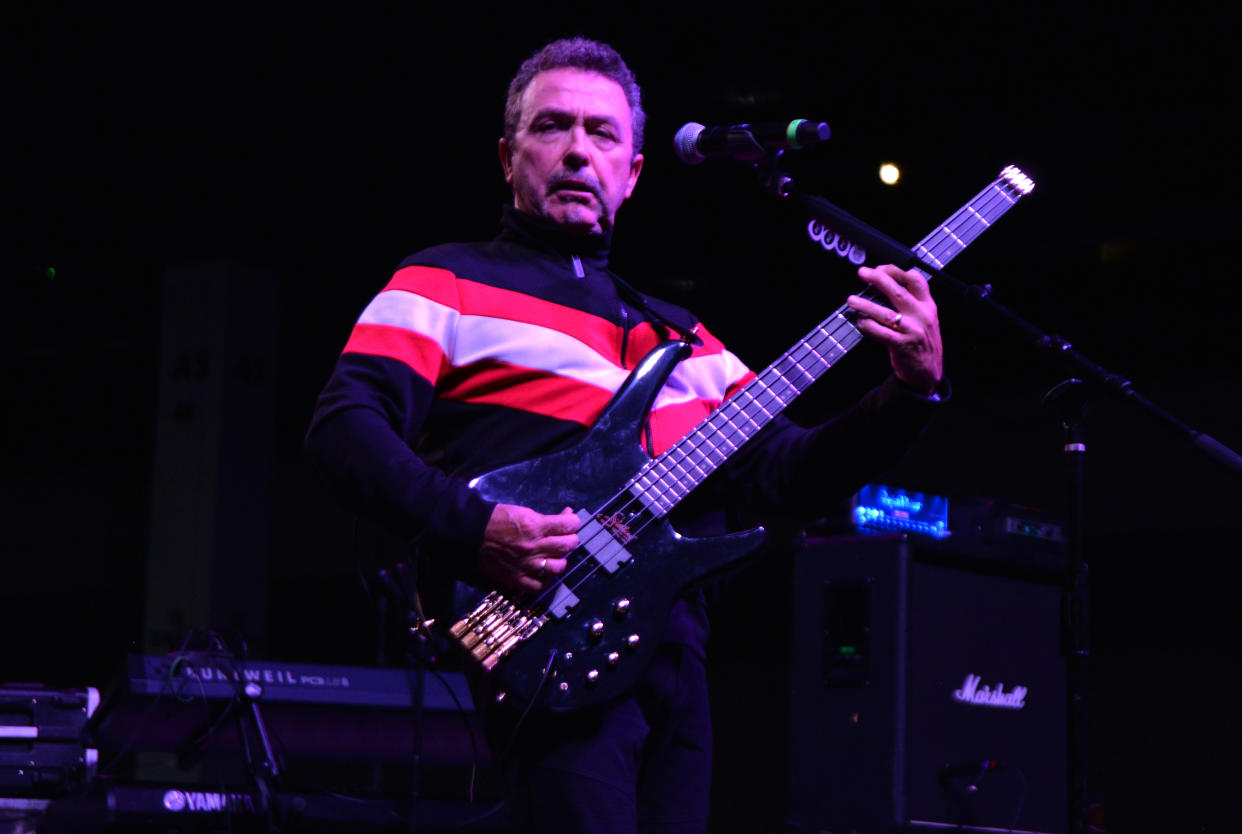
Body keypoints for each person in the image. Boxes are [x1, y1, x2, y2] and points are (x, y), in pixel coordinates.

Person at [306, 37, 945, 834]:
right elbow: (344, 429)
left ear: (634, 172)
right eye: (552, 127)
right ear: (508, 157)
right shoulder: (444, 282)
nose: (578, 150)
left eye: (602, 133)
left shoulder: (684, 338)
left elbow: (793, 477)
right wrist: (477, 528)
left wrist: (910, 392)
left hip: (678, 661)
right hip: (550, 641)